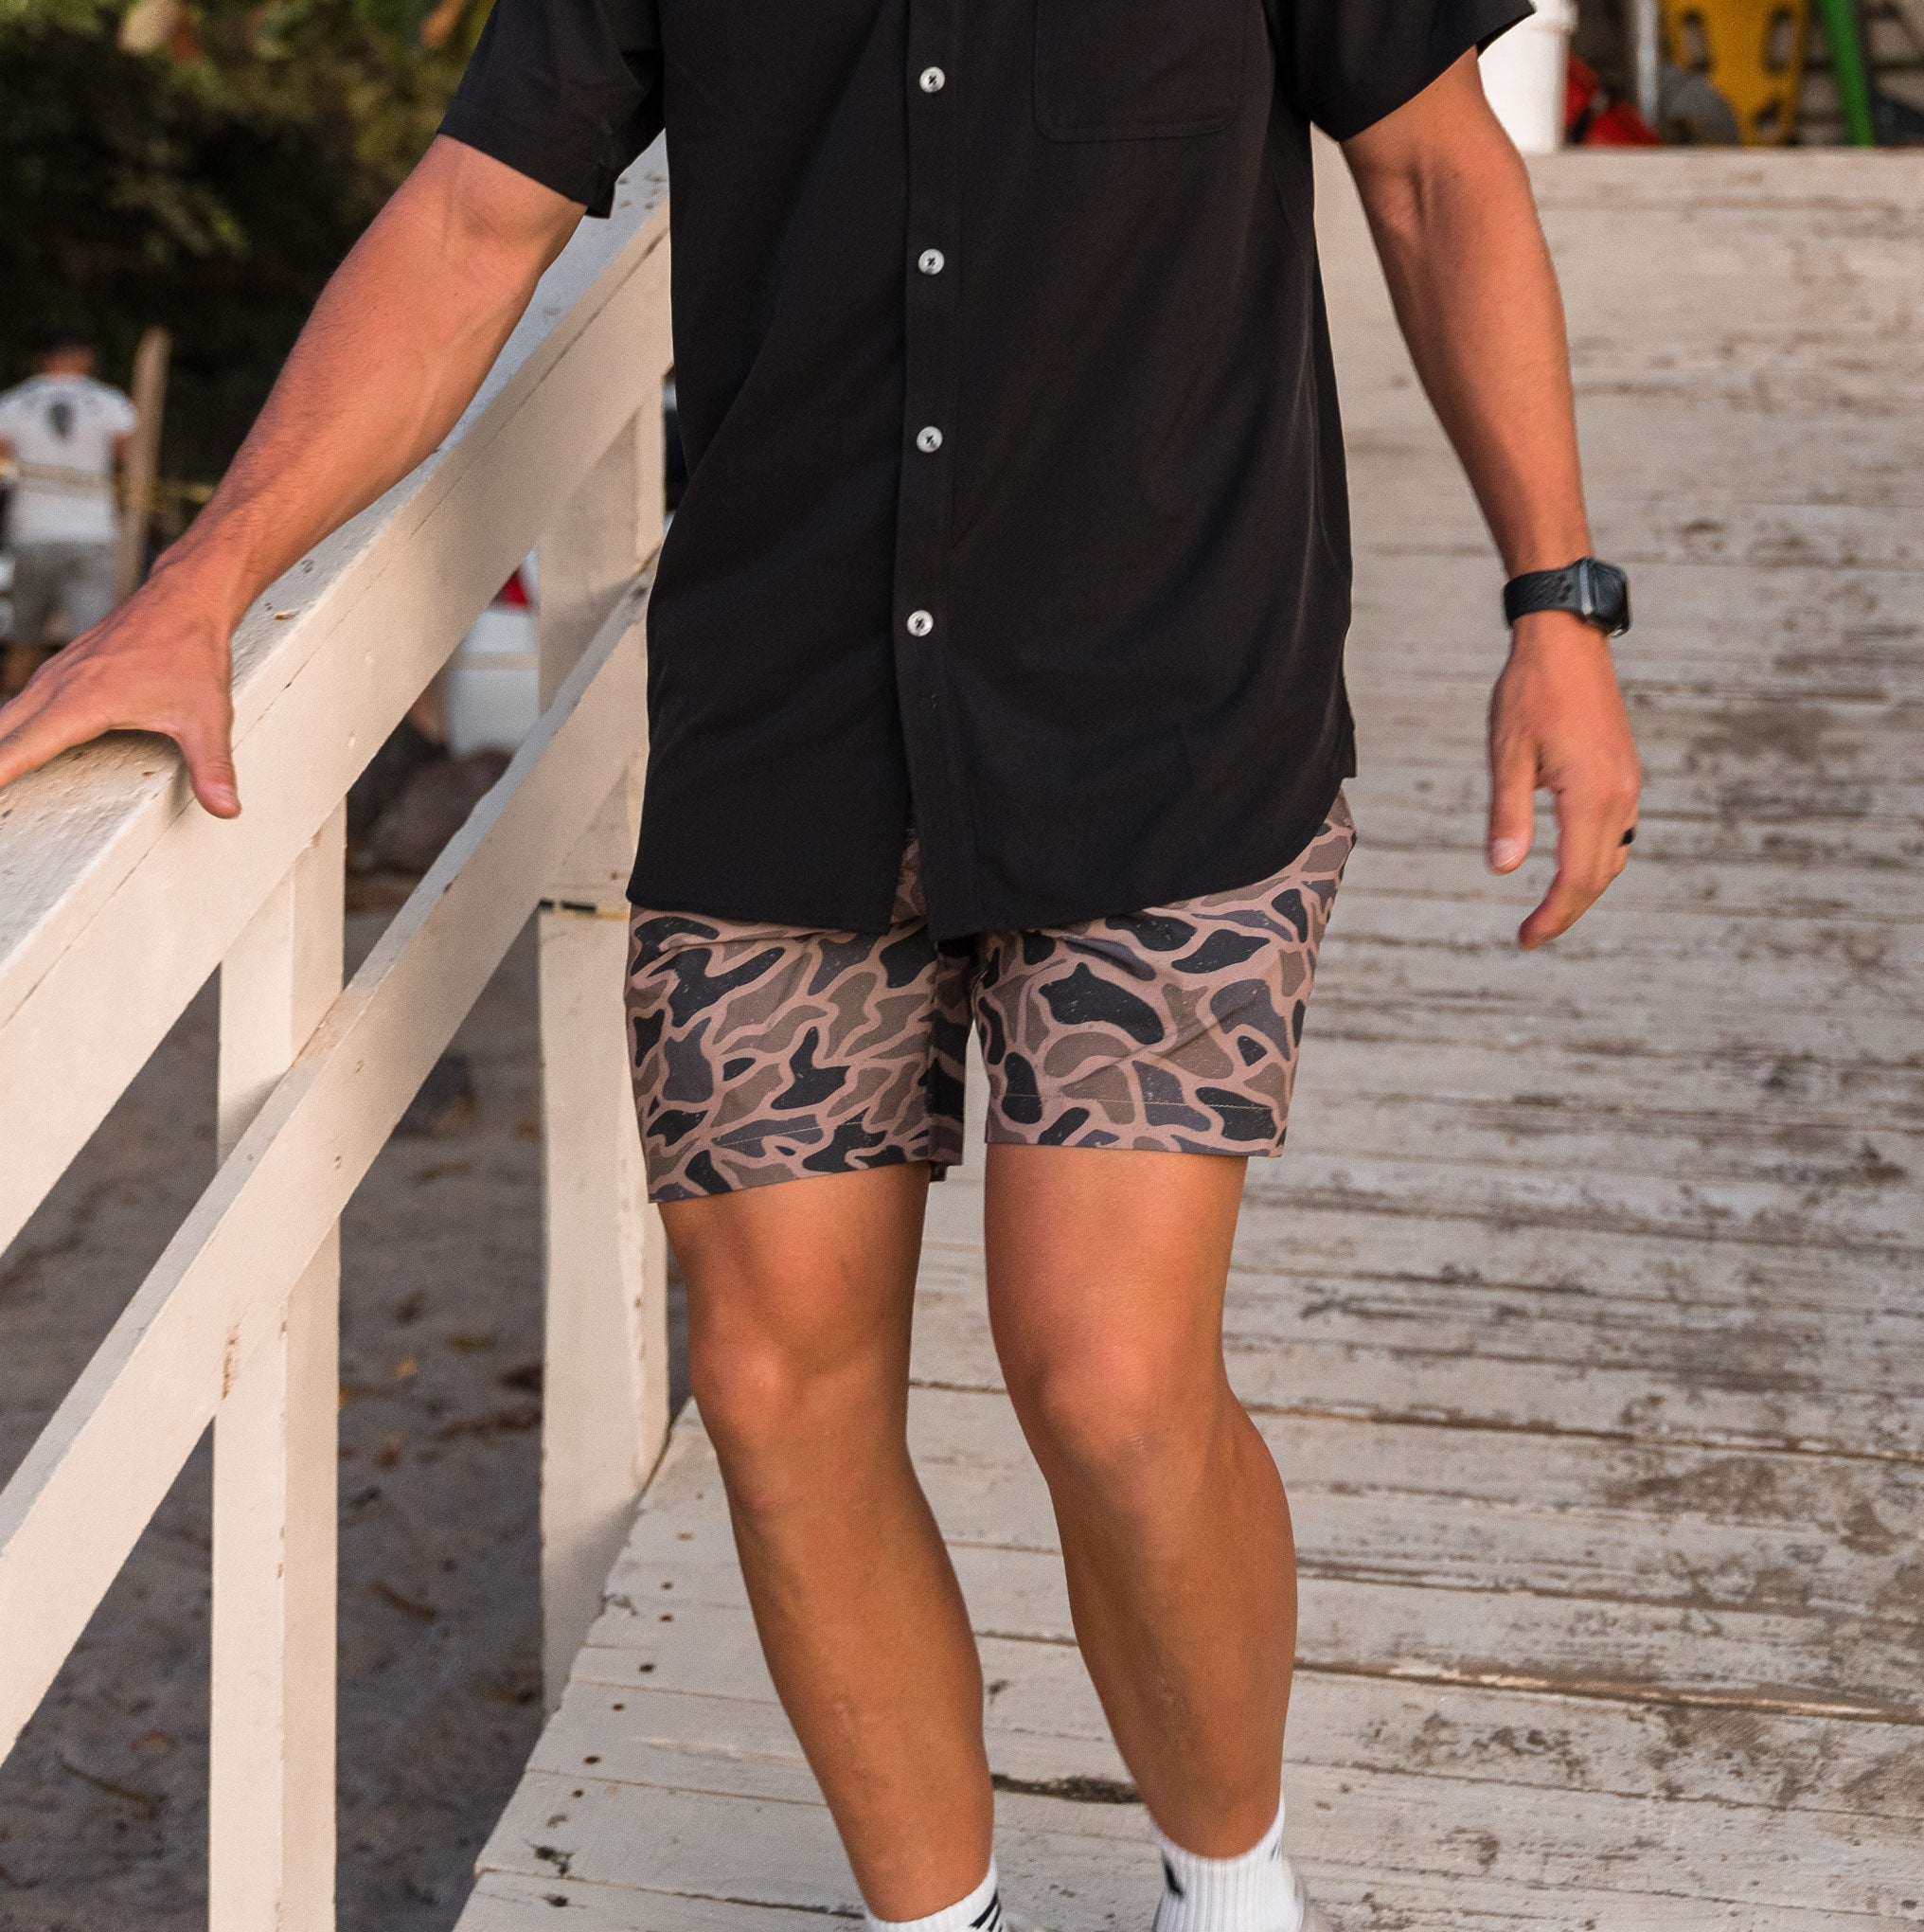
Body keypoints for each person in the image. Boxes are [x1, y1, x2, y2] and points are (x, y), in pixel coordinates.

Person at [0, 3, 1643, 1927]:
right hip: (789, 728)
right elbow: (470, 220)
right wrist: (194, 586)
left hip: (1172, 712)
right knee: (776, 1394)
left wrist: (1558, 607)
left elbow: (1435, 171)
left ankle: (1228, 1889)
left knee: (1110, 1381)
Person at [0, 334, 138, 669]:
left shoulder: (13, 403)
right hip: (94, 532)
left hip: (30, 530)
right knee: (91, 642)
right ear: (86, 357)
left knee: (24, 638)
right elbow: (132, 459)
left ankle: (11, 699)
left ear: (42, 359)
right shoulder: (110, 402)